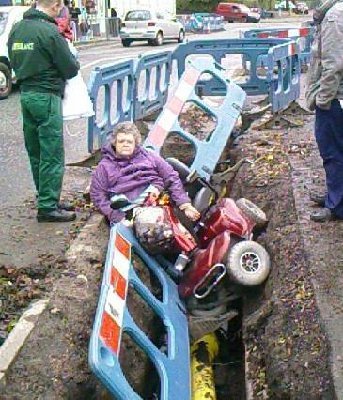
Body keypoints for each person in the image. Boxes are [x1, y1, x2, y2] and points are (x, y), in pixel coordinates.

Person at [8, 0, 79, 222]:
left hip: (26, 94)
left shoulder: (18, 28)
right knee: (51, 152)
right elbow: (70, 68)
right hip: (46, 95)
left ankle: (46, 196)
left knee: (36, 150)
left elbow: (12, 59)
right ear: (56, 5)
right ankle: (48, 207)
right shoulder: (49, 32)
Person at [90, 122, 201, 225]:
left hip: (158, 200)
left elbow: (171, 176)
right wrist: (117, 217)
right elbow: (97, 195)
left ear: (135, 143)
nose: (125, 144)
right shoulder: (104, 167)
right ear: (114, 143)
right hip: (129, 211)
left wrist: (184, 205)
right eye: (121, 141)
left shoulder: (149, 156)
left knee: (183, 225)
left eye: (129, 142)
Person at [305, 0, 343, 222]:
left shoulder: (333, 17)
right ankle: (335, 195)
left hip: (335, 100)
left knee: (332, 151)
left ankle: (336, 205)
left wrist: (323, 99)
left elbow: (334, 65)